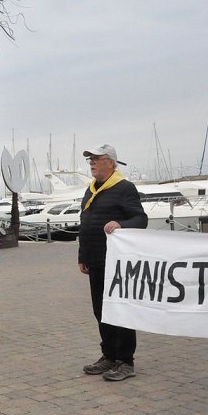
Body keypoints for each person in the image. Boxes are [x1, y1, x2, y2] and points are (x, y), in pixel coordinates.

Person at [78, 144, 147, 381]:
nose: (92, 162)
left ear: (111, 162)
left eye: (97, 159)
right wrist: (82, 255)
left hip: (117, 263)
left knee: (121, 309)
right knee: (101, 309)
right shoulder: (91, 190)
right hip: (96, 259)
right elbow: (84, 222)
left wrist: (121, 224)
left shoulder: (124, 188)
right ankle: (108, 355)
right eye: (90, 159)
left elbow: (141, 218)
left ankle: (125, 361)